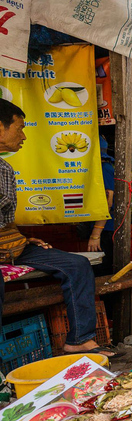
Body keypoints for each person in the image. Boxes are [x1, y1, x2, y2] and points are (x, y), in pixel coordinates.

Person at [0, 99, 115, 355]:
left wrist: (21, 238)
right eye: (19, 128)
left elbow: (5, 219)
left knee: (77, 265)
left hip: (13, 247)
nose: (24, 136)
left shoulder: (5, 169)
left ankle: (79, 339)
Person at [88, 136, 114, 277]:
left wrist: (96, 234)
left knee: (102, 272)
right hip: (102, 230)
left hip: (104, 230)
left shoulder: (104, 169)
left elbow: (107, 201)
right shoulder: (103, 168)